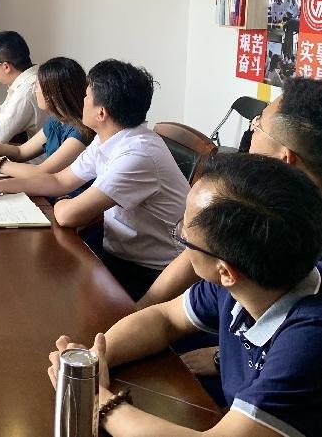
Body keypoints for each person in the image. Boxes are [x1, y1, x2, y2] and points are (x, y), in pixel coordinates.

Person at [48, 154, 322, 437]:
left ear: (225, 271)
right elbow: (164, 319)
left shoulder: (308, 340)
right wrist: (94, 361)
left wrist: (94, 399)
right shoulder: (250, 277)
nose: (182, 237)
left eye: (184, 235)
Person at [0, 59, 189, 301]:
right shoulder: (109, 138)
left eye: (87, 95)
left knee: (39, 290)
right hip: (118, 251)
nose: (82, 100)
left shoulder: (136, 156)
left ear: (101, 113)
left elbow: (68, 215)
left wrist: (62, 201)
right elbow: (58, 180)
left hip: (150, 272)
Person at [140, 78, 322, 310]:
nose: (251, 131)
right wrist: (142, 305)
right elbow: (200, 241)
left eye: (257, 125)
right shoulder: (256, 191)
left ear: (284, 159)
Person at [0, 57, 94, 187]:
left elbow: (42, 172)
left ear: (52, 95)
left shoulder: (81, 132)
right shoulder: (57, 121)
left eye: (37, 87)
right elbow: (20, 152)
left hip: (67, 197)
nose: (34, 91)